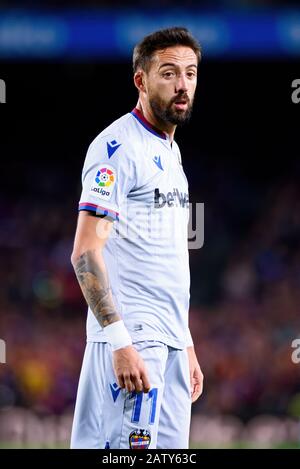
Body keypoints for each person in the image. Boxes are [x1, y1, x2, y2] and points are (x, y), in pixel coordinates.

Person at [70, 26, 204, 450]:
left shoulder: (171, 153)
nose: (182, 85)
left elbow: (163, 259)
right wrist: (121, 343)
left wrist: (184, 342)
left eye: (190, 73)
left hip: (167, 340)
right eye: (168, 73)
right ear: (140, 80)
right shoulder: (116, 149)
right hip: (134, 339)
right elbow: (86, 251)